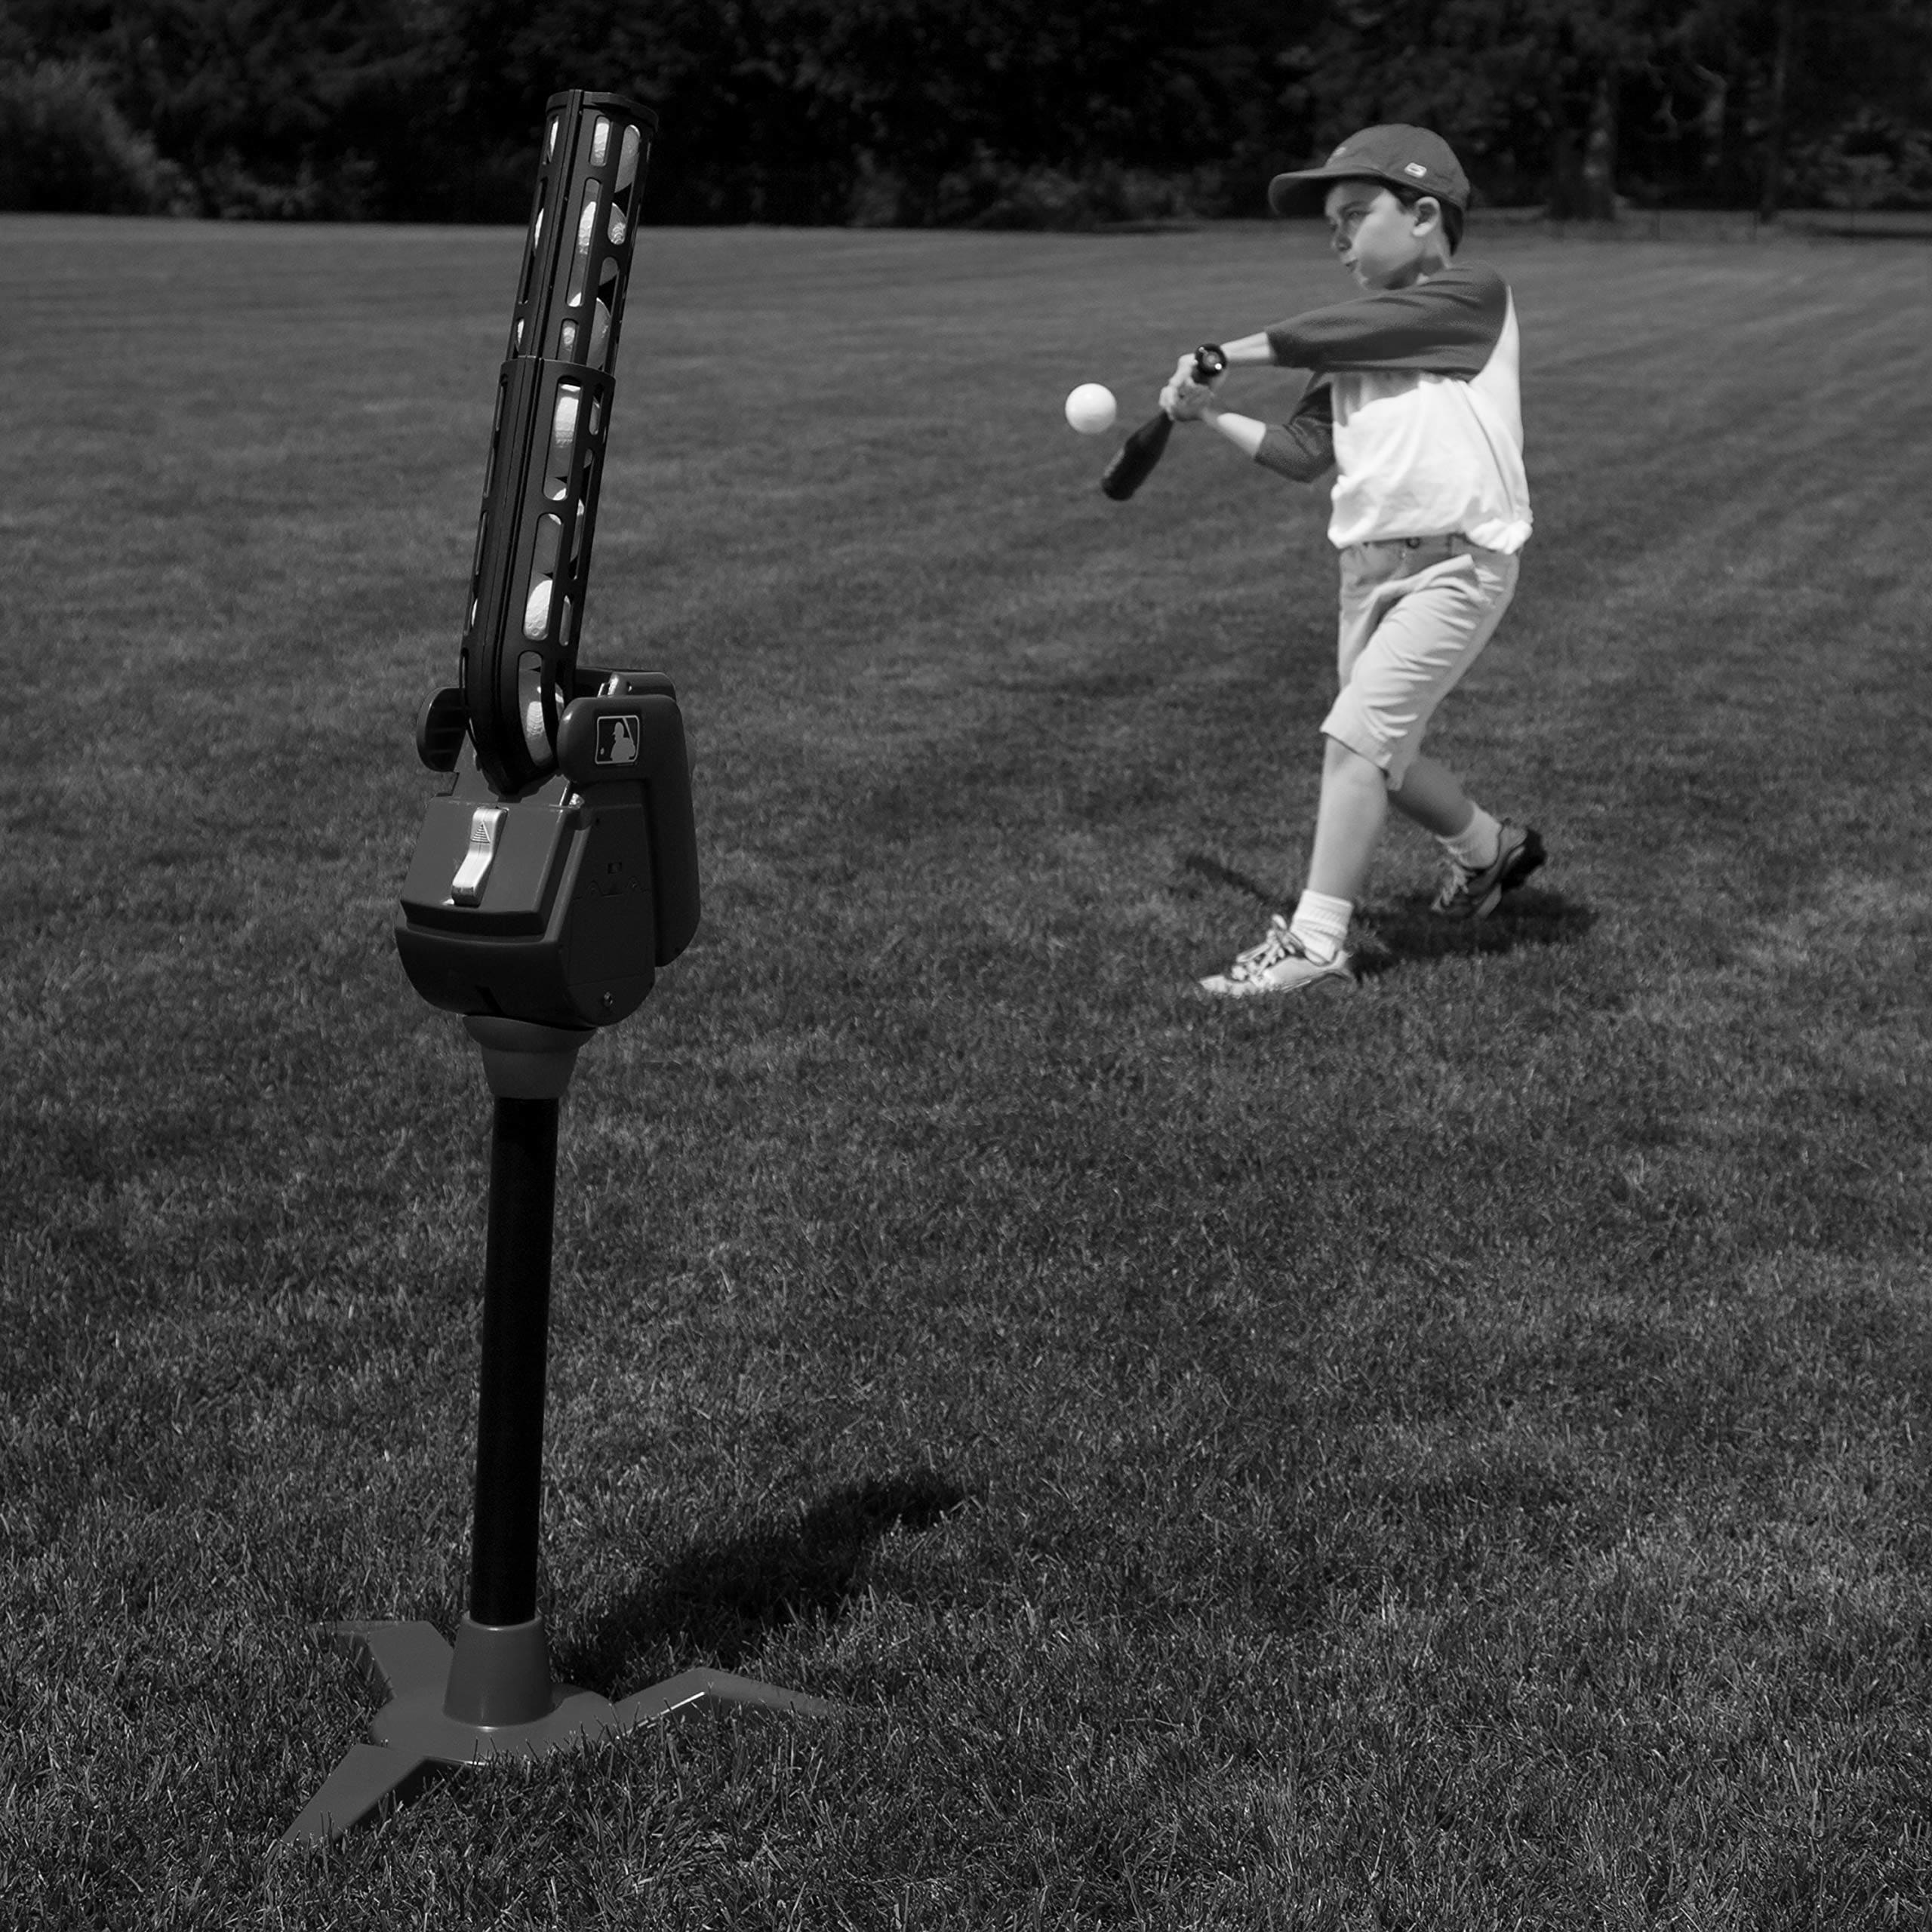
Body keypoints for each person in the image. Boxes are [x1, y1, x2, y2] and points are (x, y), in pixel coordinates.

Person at [1161, 125, 1543, 997]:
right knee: (1386, 761)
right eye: (1328, 222)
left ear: (1422, 216)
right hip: (1365, 576)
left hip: (1458, 566)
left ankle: (1316, 939)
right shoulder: (1355, 347)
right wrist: (1208, 414)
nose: (1335, 237)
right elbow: (1302, 451)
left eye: (1353, 213)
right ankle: (1491, 849)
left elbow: (1339, 329)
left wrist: (1223, 353)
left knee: (1354, 739)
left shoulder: (1471, 295)